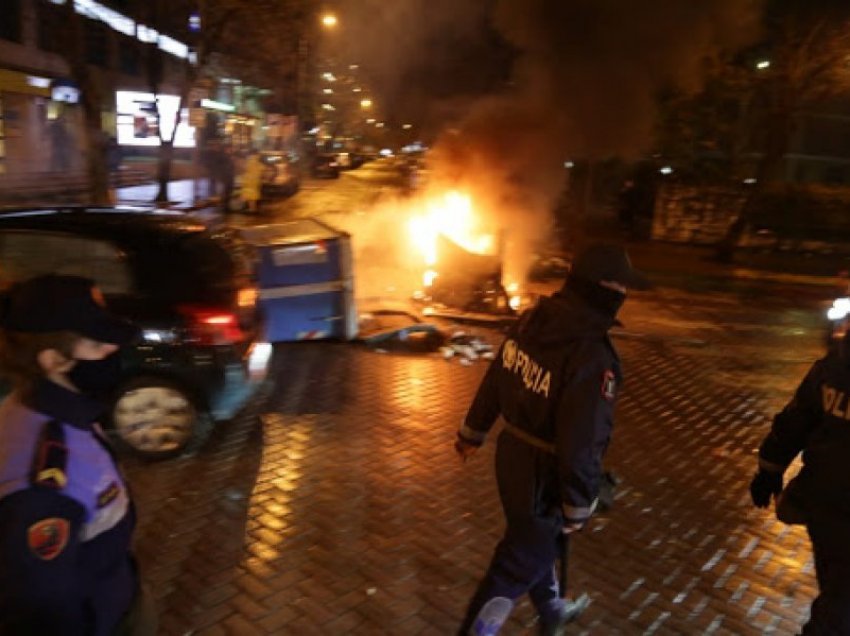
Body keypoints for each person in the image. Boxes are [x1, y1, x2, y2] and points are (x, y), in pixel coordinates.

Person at [455, 244, 651, 636]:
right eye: (620, 285)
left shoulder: (533, 319)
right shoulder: (592, 355)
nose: (624, 294)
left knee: (536, 542)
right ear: (600, 286)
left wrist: (473, 431)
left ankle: (552, 609)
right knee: (517, 563)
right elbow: (584, 438)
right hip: (546, 474)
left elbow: (498, 375)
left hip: (511, 458)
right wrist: (578, 503)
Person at [0, 275, 156, 635]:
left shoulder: (63, 411)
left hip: (113, 596)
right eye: (96, 343)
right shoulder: (40, 484)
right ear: (52, 360)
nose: (110, 350)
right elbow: (41, 610)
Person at [750, 313, 850, 634]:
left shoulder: (832, 368)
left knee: (837, 592)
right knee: (839, 606)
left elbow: (796, 420)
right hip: (833, 506)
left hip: (826, 505)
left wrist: (769, 469)